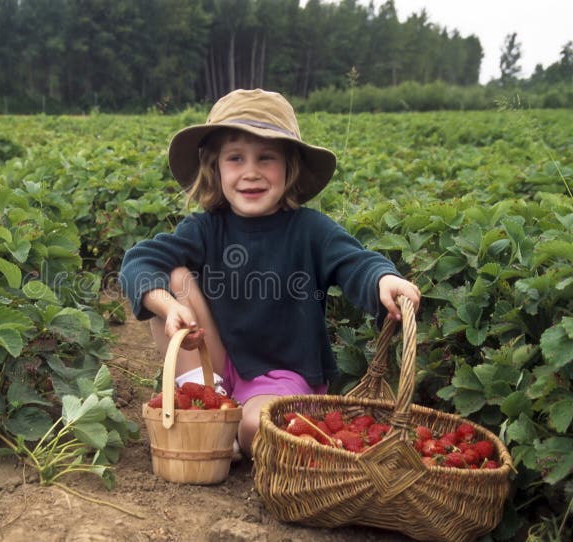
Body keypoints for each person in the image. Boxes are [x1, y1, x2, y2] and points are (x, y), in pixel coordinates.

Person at [119, 88, 420, 458]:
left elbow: (354, 260)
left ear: (289, 167)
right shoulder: (205, 228)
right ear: (215, 167)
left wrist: (382, 279)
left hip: (282, 377)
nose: (251, 172)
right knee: (175, 276)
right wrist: (167, 305)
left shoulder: (311, 229)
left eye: (266, 158)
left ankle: (231, 433)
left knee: (254, 425)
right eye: (235, 158)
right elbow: (139, 260)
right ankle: (209, 404)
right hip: (215, 362)